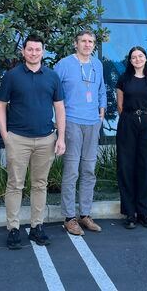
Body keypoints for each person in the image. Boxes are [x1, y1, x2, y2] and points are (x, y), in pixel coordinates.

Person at [0, 34, 66, 250]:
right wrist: (5, 135)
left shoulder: (52, 76)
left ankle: (37, 227)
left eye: (38, 49)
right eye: (30, 49)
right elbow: (0, 106)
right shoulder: (12, 76)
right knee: (15, 185)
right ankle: (13, 229)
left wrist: (61, 137)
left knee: (39, 185)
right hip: (18, 139)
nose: (34, 53)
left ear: (43, 52)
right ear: (23, 51)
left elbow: (60, 108)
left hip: (46, 139)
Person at [54, 29, 107, 235]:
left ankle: (85, 214)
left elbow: (101, 89)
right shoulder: (64, 64)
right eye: (83, 41)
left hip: (93, 122)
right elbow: (54, 93)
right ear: (75, 44)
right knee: (72, 171)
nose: (87, 44)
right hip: (72, 122)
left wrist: (101, 111)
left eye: (91, 41)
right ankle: (69, 217)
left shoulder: (97, 64)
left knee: (89, 170)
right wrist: (59, 123)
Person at [115, 46, 147, 229]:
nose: (137, 59)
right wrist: (131, 118)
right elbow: (120, 106)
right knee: (126, 166)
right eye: (134, 57)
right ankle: (129, 213)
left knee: (144, 166)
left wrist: (145, 117)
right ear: (130, 60)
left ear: (146, 58)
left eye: (140, 56)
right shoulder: (123, 79)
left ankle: (144, 213)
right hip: (128, 122)